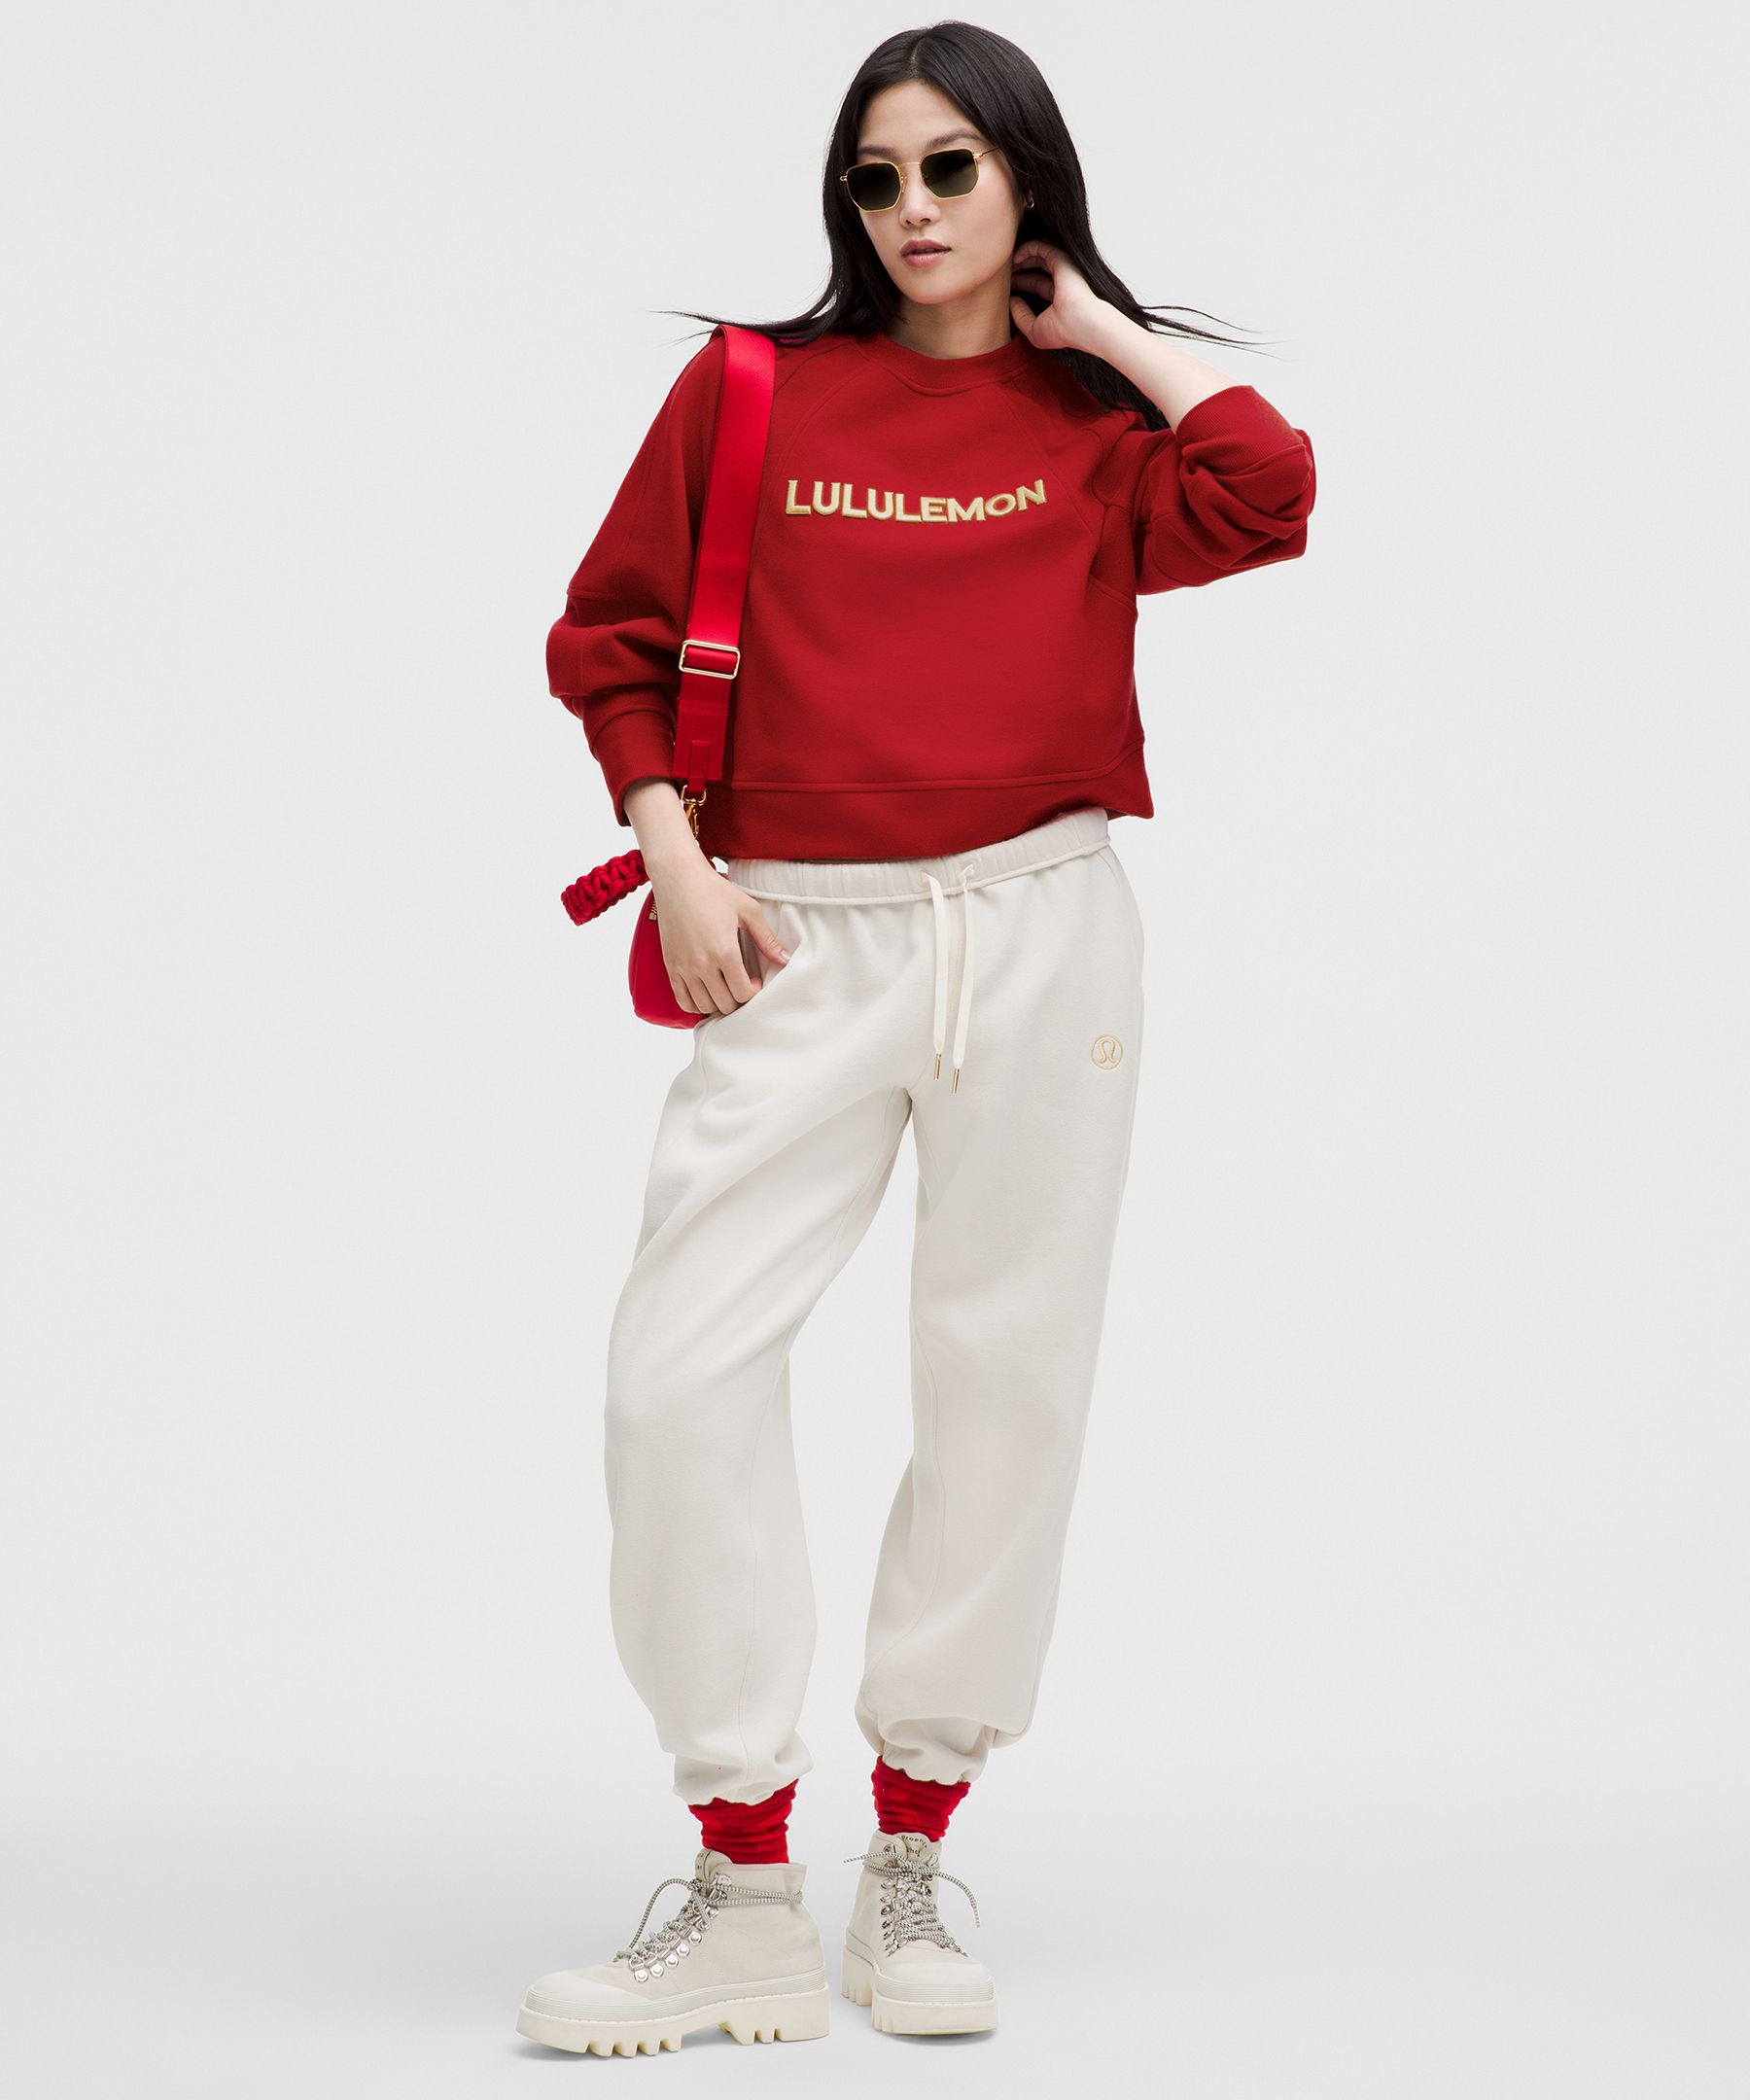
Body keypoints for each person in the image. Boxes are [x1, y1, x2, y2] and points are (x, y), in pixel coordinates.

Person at [516, 19, 1315, 2058]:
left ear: (1024, 179)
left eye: (953, 166)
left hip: (1046, 930)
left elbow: (1270, 487)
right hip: (795, 932)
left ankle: (910, 1850)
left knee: (1004, 1380)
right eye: (876, 177)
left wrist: (1100, 327)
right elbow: (609, 642)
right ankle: (741, 1879)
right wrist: (678, 863)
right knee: (675, 1376)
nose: (912, 208)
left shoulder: (1096, 427)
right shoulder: (754, 389)